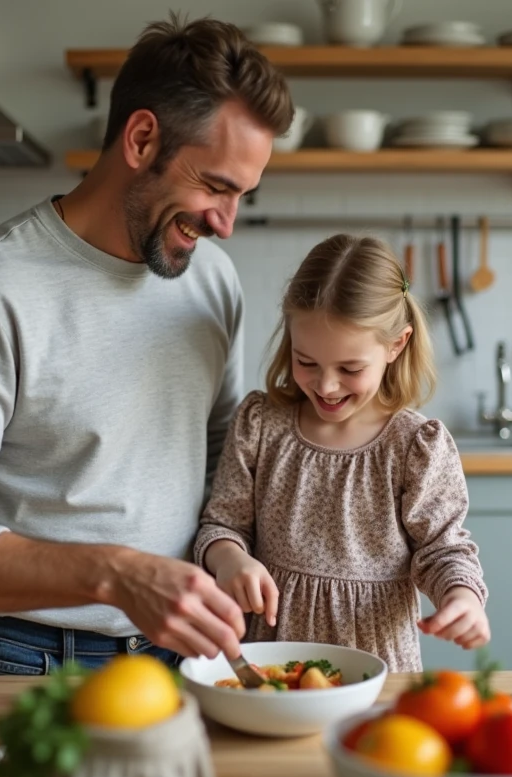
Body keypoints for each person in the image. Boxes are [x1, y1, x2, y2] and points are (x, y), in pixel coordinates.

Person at [0, 14, 294, 675]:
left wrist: (224, 552)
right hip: (24, 656)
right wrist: (116, 575)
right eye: (215, 186)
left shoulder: (210, 280)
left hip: (181, 653)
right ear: (143, 138)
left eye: (243, 196)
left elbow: (219, 462)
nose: (227, 225)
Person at [193, 234, 491, 673]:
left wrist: (462, 598)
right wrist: (229, 558)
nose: (326, 386)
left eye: (350, 369)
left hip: (376, 666)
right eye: (306, 361)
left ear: (396, 345)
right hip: (272, 662)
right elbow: (221, 525)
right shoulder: (261, 424)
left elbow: (443, 549)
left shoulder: (414, 446)